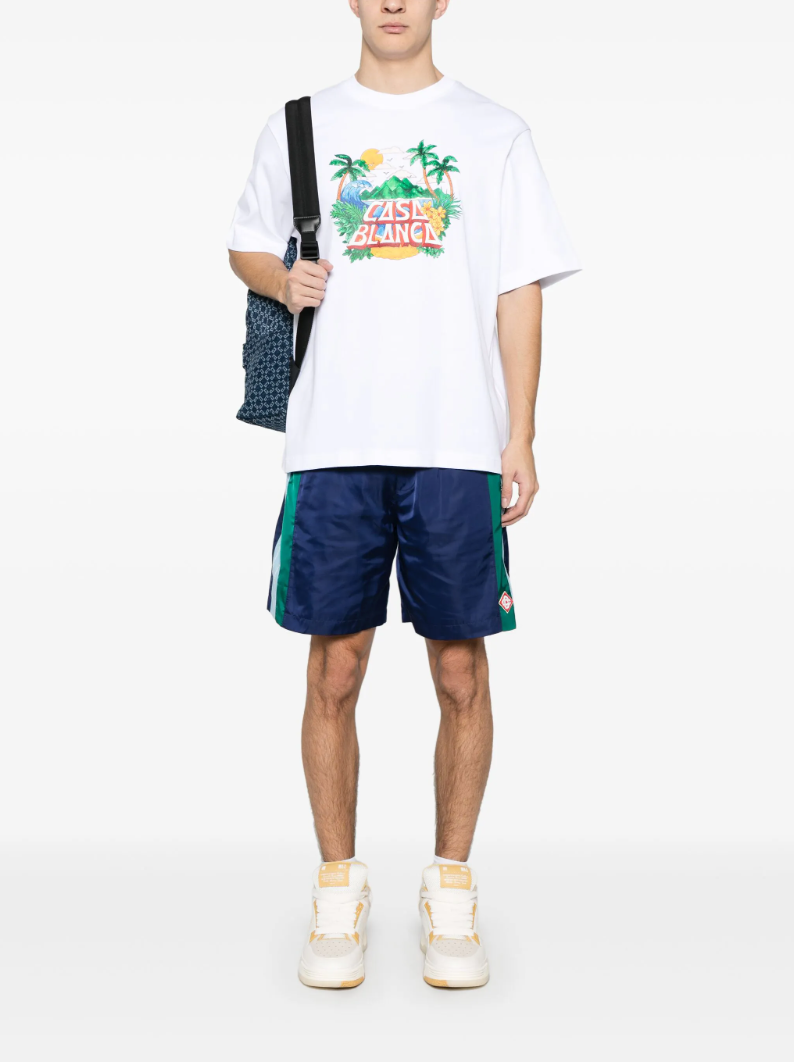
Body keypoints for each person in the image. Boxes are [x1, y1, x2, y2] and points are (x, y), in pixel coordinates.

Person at [227, 0, 580, 990]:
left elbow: (518, 290)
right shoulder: (298, 125)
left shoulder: (494, 131)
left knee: (460, 669)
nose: (392, 2)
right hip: (333, 440)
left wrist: (521, 432)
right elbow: (246, 243)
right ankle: (337, 889)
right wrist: (282, 280)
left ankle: (450, 890)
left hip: (456, 442)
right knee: (333, 670)